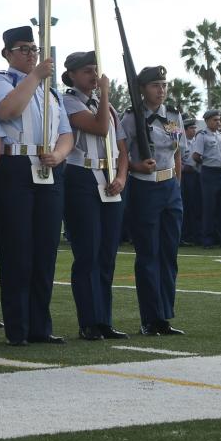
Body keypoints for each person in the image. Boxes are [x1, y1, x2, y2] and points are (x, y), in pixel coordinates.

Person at [0, 25, 73, 346]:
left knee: (45, 250)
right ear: (7, 53)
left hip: (46, 167)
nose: (31, 54)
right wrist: (35, 77)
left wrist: (59, 155)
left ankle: (40, 325)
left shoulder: (50, 91)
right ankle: (17, 327)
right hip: (15, 165)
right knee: (17, 249)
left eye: (33, 49)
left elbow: (65, 132)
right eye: (23, 49)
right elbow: (7, 110)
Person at [60, 51, 129, 340]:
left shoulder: (108, 107)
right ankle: (89, 320)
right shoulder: (68, 101)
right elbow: (99, 129)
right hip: (81, 176)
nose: (93, 75)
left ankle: (105, 319)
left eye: (95, 70)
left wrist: (122, 177)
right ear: (72, 75)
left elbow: (122, 149)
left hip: (109, 178)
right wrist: (103, 92)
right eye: (87, 70)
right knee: (87, 252)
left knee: (107, 254)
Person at [121, 66, 184, 335]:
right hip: (145, 188)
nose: (161, 90)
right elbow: (121, 154)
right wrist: (136, 166)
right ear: (142, 89)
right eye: (155, 85)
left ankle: (165, 315)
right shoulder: (131, 117)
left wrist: (177, 186)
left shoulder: (172, 116)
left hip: (169, 188)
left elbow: (177, 151)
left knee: (169, 255)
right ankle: (150, 318)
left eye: (164, 84)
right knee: (148, 254)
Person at [191, 109, 221, 249]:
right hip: (209, 172)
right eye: (215, 120)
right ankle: (207, 239)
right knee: (209, 207)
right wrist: (208, 162)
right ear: (207, 121)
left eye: (219, 120)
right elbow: (196, 156)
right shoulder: (202, 136)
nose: (218, 122)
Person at [179, 119, 202, 248]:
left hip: (195, 176)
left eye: (195, 128)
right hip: (184, 176)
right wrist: (184, 168)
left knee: (194, 206)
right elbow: (177, 159)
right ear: (185, 130)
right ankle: (183, 235)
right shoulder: (182, 142)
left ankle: (192, 234)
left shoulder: (196, 142)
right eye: (191, 128)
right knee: (184, 206)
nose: (194, 130)